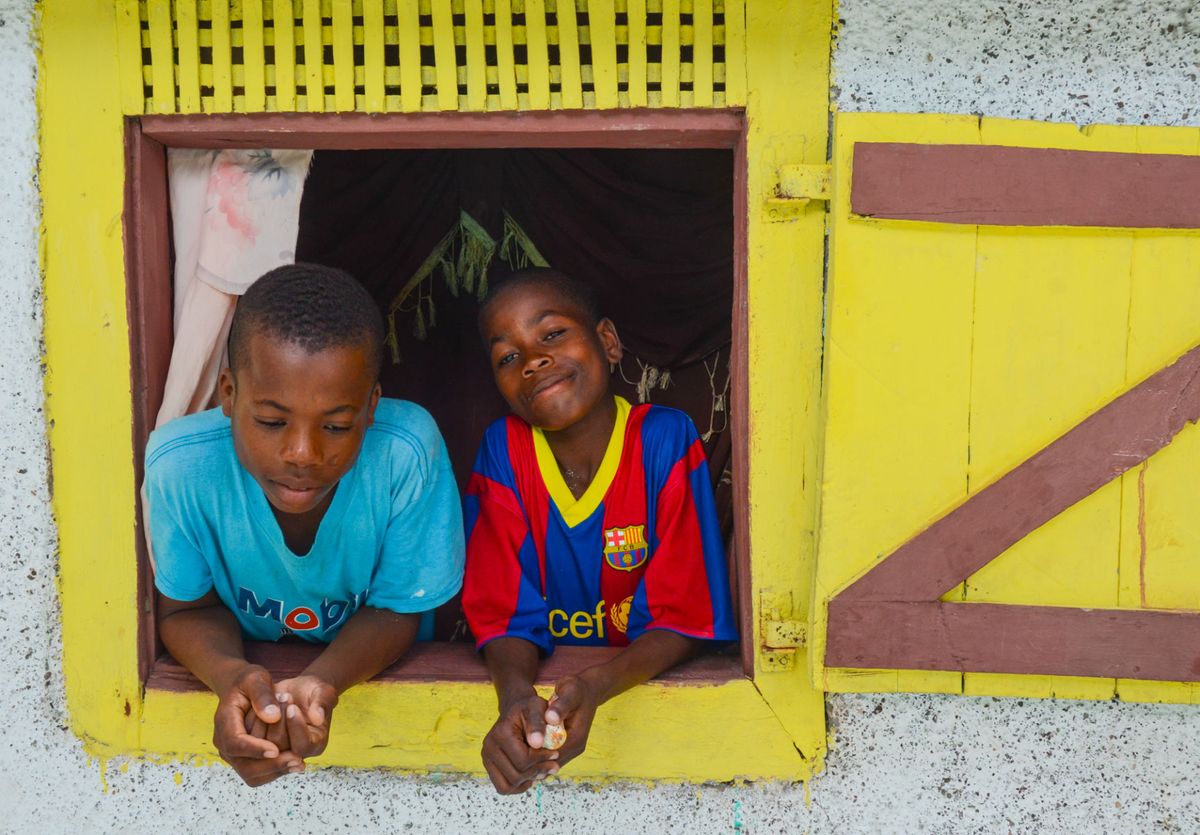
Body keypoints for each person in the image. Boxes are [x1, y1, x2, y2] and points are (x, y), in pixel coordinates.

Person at [145, 263, 464, 786]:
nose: (302, 453)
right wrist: (232, 676)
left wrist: (323, 681)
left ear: (371, 406)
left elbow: (397, 608)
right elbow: (187, 610)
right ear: (228, 393)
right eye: (272, 421)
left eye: (336, 426)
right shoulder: (181, 467)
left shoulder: (404, 452)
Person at [462, 268, 737, 794]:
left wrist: (597, 685)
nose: (533, 360)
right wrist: (515, 695)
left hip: (654, 733)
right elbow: (503, 611)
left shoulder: (663, 438)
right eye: (508, 357)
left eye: (552, 334)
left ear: (608, 342)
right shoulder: (505, 449)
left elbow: (684, 615)